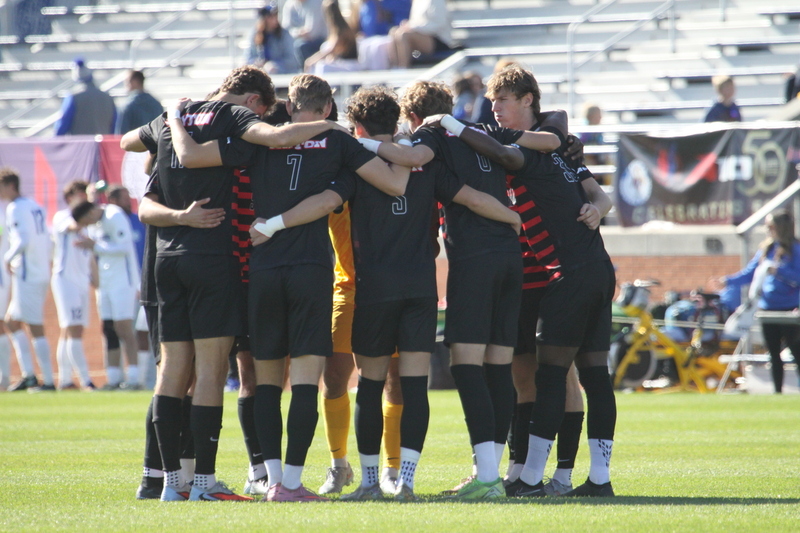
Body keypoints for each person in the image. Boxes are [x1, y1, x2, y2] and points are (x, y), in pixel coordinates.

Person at [167, 73, 411, 502]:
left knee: (265, 383)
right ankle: (293, 485)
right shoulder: (337, 141)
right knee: (303, 382)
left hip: (261, 270)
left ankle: (269, 479)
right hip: (310, 272)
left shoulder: (259, 141)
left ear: (289, 103)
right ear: (328, 110)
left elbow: (193, 156)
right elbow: (393, 183)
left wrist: (174, 117)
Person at [122, 66, 345, 502]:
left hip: (174, 260)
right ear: (253, 103)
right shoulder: (241, 126)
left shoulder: (179, 117)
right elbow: (273, 139)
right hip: (226, 262)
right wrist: (337, 127)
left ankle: (179, 480)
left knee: (186, 371)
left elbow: (133, 148)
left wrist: (169, 120)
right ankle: (190, 480)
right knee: (214, 373)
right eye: (266, 110)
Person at [361, 80, 557, 500]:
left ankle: (486, 477)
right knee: (498, 366)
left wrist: (361, 144)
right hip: (510, 258)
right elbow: (531, 149)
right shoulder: (480, 130)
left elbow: (453, 187)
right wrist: (511, 219)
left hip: (476, 259)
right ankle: (489, 473)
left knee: (466, 363)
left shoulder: (431, 135)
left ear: (414, 117)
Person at [435, 72, 617, 498]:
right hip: (590, 267)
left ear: (527, 100)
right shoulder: (553, 146)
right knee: (589, 375)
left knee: (554, 375)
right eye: (492, 100)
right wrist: (597, 206)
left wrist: (452, 125)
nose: (494, 106)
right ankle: (591, 479)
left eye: (502, 99)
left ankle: (537, 477)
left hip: (565, 273)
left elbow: (515, 147)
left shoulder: (533, 147)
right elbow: (570, 158)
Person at [715, 209, 800, 394]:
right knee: (773, 353)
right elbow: (750, 273)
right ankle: (778, 392)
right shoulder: (767, 249)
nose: (767, 229)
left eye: (771, 226)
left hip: (789, 308)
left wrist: (779, 271)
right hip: (767, 308)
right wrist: (728, 280)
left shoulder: (795, 249)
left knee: (796, 351)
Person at [71, 197, 141, 391]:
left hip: (123, 281)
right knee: (109, 329)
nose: (89, 226)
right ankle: (113, 378)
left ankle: (134, 378)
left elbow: (124, 247)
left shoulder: (114, 215)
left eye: (87, 222)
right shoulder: (96, 224)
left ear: (91, 213)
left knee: (124, 328)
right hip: (106, 282)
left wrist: (95, 246)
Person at [0, 169, 54, 393]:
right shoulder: (34, 205)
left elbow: (23, 240)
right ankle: (29, 375)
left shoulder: (15, 207)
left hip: (27, 273)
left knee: (34, 326)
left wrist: (7, 258)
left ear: (10, 185)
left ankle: (48, 381)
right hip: (38, 270)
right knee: (11, 321)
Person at [50, 180, 95, 391]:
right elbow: (72, 225)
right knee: (73, 329)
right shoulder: (63, 216)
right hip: (65, 279)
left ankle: (65, 380)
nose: (85, 197)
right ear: (70, 197)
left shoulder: (91, 222)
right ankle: (86, 380)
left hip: (81, 280)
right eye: (81, 194)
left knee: (68, 331)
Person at [54, 59, 117, 136]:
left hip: (80, 145)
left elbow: (62, 125)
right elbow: (115, 126)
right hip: (103, 145)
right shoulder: (107, 98)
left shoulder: (73, 97)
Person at [389, 0, 454, 69]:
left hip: (439, 39)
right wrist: (408, 25)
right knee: (394, 32)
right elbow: (415, 22)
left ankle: (403, 67)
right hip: (422, 34)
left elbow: (438, 24)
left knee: (403, 35)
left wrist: (413, 27)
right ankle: (395, 66)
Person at [304, 0, 359, 74]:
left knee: (323, 66)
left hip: (351, 65)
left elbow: (331, 50)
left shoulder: (342, 30)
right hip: (343, 64)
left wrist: (310, 61)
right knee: (321, 64)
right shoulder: (334, 31)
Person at [245, 3, 300, 74]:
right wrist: (257, 63)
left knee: (270, 69)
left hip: (283, 73)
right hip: (260, 73)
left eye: (275, 16)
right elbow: (248, 57)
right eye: (270, 17)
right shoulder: (254, 34)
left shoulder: (284, 34)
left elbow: (292, 60)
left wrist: (274, 65)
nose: (274, 19)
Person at [282, 0, 328, 68]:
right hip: (297, 39)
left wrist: (296, 33)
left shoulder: (315, 3)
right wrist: (298, 32)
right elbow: (286, 28)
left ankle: (307, 71)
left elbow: (312, 33)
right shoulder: (289, 5)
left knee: (300, 45)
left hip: (319, 41)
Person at [115, 70, 163, 135]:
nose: (125, 85)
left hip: (133, 143)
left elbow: (121, 135)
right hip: (154, 144)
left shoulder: (127, 105)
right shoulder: (156, 104)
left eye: (127, 81)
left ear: (135, 82)